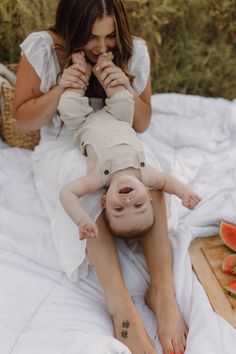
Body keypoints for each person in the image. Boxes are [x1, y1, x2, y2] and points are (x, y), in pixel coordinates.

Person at [13, 1, 189, 353]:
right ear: (71, 29)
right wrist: (60, 90)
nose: (103, 47)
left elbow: (141, 123)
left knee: (145, 171)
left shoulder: (134, 50)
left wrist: (123, 88)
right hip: (65, 141)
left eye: (110, 36)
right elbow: (23, 119)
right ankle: (120, 306)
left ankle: (163, 292)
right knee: (82, 177)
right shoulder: (43, 47)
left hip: (117, 135)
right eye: (91, 38)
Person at [58, 52, 201, 241]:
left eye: (118, 209)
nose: (127, 201)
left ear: (104, 202)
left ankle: (81, 72)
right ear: (149, 195)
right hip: (120, 119)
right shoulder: (145, 175)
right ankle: (104, 68)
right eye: (139, 206)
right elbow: (167, 182)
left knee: (68, 105)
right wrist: (185, 193)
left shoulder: (99, 177)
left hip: (83, 124)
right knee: (123, 99)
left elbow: (66, 193)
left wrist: (82, 219)